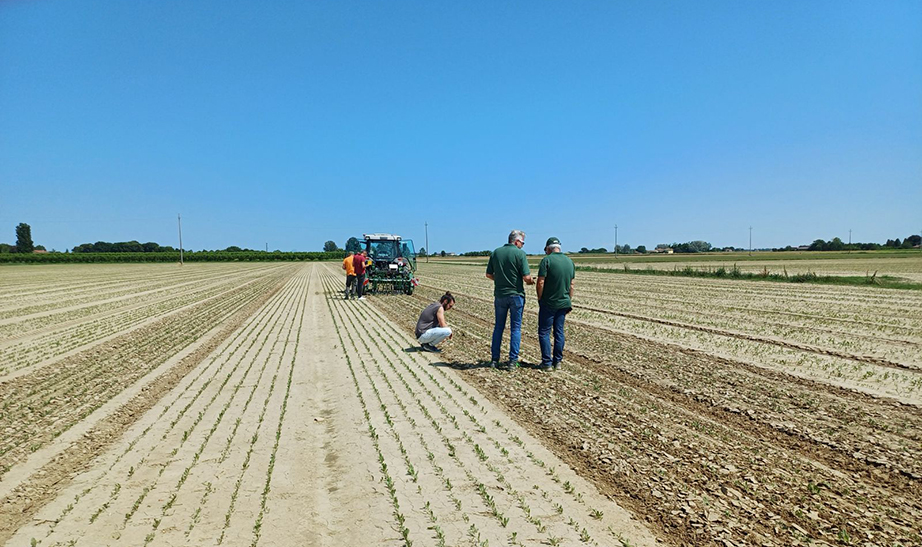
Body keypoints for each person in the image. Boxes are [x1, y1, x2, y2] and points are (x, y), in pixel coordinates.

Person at [486, 230, 534, 369]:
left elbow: (489, 274)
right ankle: (513, 361)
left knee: (498, 327)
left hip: (500, 295)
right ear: (517, 241)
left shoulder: (496, 253)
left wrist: (500, 279)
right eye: (522, 243)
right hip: (516, 295)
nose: (523, 245)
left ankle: (494, 360)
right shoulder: (520, 254)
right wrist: (531, 281)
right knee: (515, 329)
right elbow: (526, 277)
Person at [536, 237, 575, 371]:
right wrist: (568, 300)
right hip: (564, 303)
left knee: (544, 332)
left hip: (549, 302)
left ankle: (546, 363)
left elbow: (540, 282)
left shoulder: (546, 260)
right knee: (559, 332)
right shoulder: (569, 261)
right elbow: (572, 285)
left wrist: (540, 298)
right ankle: (557, 362)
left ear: (548, 248)